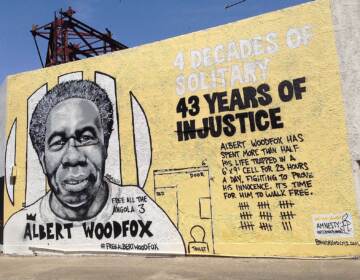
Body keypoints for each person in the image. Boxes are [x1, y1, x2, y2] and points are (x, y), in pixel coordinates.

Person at [4, 80, 185, 255]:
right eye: (58, 142)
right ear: (43, 160)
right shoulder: (18, 227)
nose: (73, 157)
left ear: (104, 147)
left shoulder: (142, 211)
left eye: (86, 138)